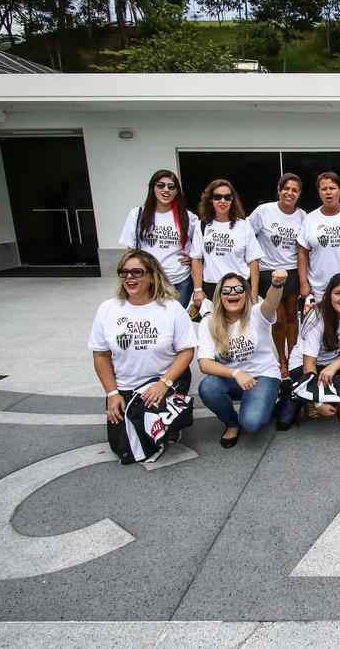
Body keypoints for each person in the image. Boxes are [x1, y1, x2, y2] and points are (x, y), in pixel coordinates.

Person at [89, 250, 197, 457]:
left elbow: (186, 351)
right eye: (124, 272)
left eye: (137, 272)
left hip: (164, 381)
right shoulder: (107, 309)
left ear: (151, 275)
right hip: (126, 388)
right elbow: (100, 355)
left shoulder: (171, 308)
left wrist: (163, 383)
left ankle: (174, 419)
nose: (130, 277)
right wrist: (112, 394)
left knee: (153, 440)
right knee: (123, 450)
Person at [196, 270, 288, 448]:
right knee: (207, 387)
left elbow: (271, 302)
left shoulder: (257, 314)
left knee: (252, 423)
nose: (233, 293)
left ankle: (268, 397)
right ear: (219, 296)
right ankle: (231, 423)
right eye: (227, 290)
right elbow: (205, 364)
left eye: (238, 289)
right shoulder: (209, 323)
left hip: (262, 376)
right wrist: (236, 373)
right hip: (234, 379)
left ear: (245, 294)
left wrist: (277, 284)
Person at [277, 272, 340, 429]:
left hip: (332, 365)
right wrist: (318, 401)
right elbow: (309, 364)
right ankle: (301, 398)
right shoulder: (317, 316)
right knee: (284, 423)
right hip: (304, 367)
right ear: (329, 295)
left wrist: (334, 366)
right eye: (338, 293)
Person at [248, 173, 307, 376]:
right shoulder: (263, 211)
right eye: (286, 189)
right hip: (268, 272)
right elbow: (245, 236)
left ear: (299, 194)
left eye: (295, 190)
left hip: (292, 271)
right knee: (278, 318)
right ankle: (280, 359)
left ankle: (293, 358)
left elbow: (305, 248)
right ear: (279, 190)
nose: (290, 193)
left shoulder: (302, 216)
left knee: (292, 316)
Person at [119, 170, 198, 308]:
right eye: (160, 185)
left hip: (179, 281)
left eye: (171, 187)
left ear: (177, 191)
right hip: (148, 280)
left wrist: (192, 258)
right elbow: (130, 251)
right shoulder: (137, 214)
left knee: (175, 322)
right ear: (152, 188)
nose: (166, 190)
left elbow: (200, 245)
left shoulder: (188, 217)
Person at [190, 179, 261, 305]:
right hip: (212, 288)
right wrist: (198, 289)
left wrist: (254, 295)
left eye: (227, 197)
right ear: (211, 199)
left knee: (241, 324)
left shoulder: (244, 226)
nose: (223, 201)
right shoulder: (201, 225)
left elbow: (253, 262)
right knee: (215, 325)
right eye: (218, 197)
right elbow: (197, 259)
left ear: (232, 200)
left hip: (239, 288)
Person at [297, 172, 340, 301]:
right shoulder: (310, 219)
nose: (328, 192)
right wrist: (303, 283)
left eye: (332, 188)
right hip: (320, 289)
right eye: (324, 189)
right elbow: (302, 252)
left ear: (339, 190)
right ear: (319, 192)